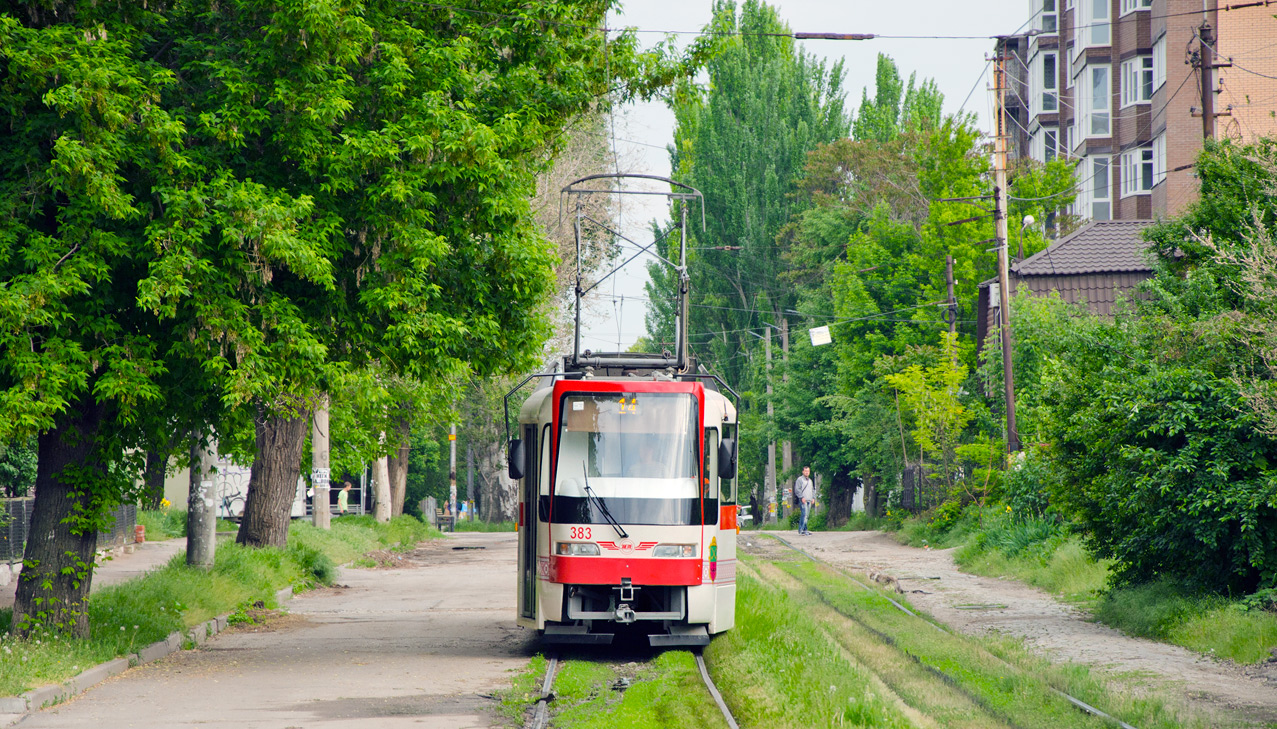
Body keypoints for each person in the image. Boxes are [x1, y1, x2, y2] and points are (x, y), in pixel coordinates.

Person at [794, 466, 815, 535]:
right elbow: (797, 490)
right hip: (803, 500)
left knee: (807, 515)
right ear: (803, 472)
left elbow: (812, 490)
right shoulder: (800, 480)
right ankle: (801, 529)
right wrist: (801, 497)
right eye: (805, 471)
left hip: (809, 499)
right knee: (804, 514)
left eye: (808, 471)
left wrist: (813, 498)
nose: (807, 472)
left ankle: (805, 529)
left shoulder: (810, 481)